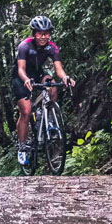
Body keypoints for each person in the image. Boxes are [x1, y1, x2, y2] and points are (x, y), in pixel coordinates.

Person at [11, 15, 74, 168]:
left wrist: (65, 77)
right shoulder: (24, 46)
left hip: (38, 73)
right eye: (40, 33)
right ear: (34, 33)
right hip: (21, 76)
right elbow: (21, 69)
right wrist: (26, 79)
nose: (43, 36)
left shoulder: (52, 47)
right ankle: (22, 147)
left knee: (52, 83)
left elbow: (58, 69)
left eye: (46, 33)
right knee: (25, 111)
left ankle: (49, 115)